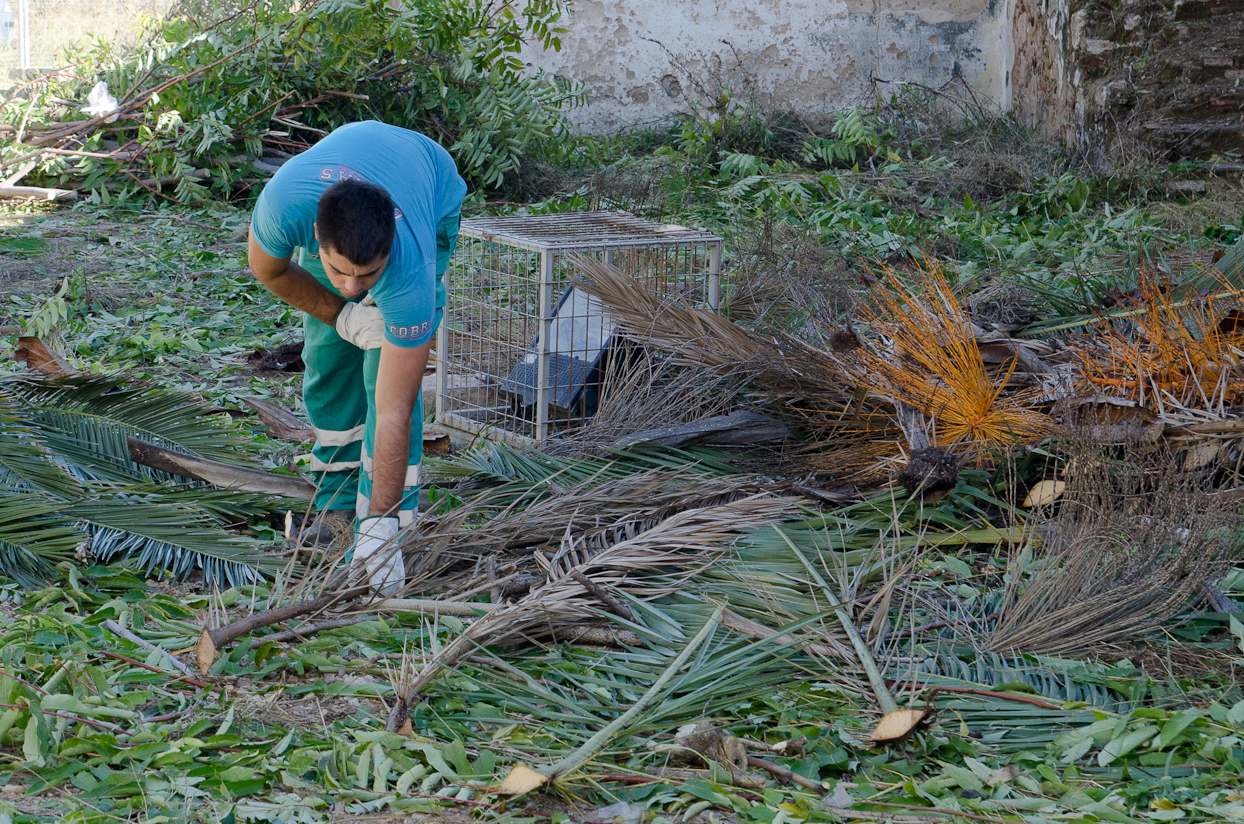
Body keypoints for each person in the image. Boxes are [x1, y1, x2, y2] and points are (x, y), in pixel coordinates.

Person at [247, 121, 467, 595]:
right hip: (349, 176)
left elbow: (393, 407)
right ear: (313, 240)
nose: (352, 286)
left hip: (429, 174)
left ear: (389, 253)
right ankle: (336, 506)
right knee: (329, 362)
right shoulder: (283, 208)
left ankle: (385, 522)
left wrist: (381, 526)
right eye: (338, 272)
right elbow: (268, 270)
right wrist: (343, 317)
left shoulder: (410, 275)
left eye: (367, 275)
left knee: (380, 382)